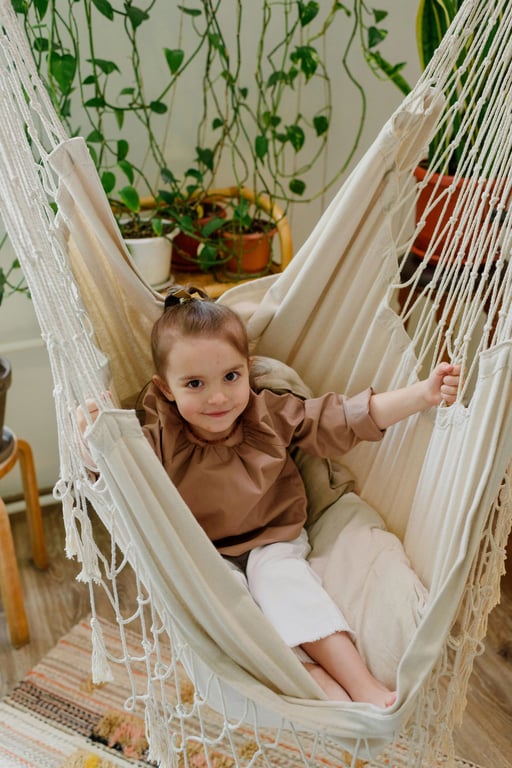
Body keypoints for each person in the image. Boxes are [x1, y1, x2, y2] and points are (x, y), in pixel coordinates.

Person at [78, 284, 461, 707]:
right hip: (204, 556)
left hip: (273, 539)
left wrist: (421, 394)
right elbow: (113, 474)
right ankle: (324, 692)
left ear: (249, 368)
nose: (218, 397)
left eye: (230, 376)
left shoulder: (269, 416)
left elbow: (345, 417)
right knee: (235, 619)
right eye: (194, 384)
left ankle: (362, 685)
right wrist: (94, 435)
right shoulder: (159, 437)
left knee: (283, 587)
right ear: (166, 389)